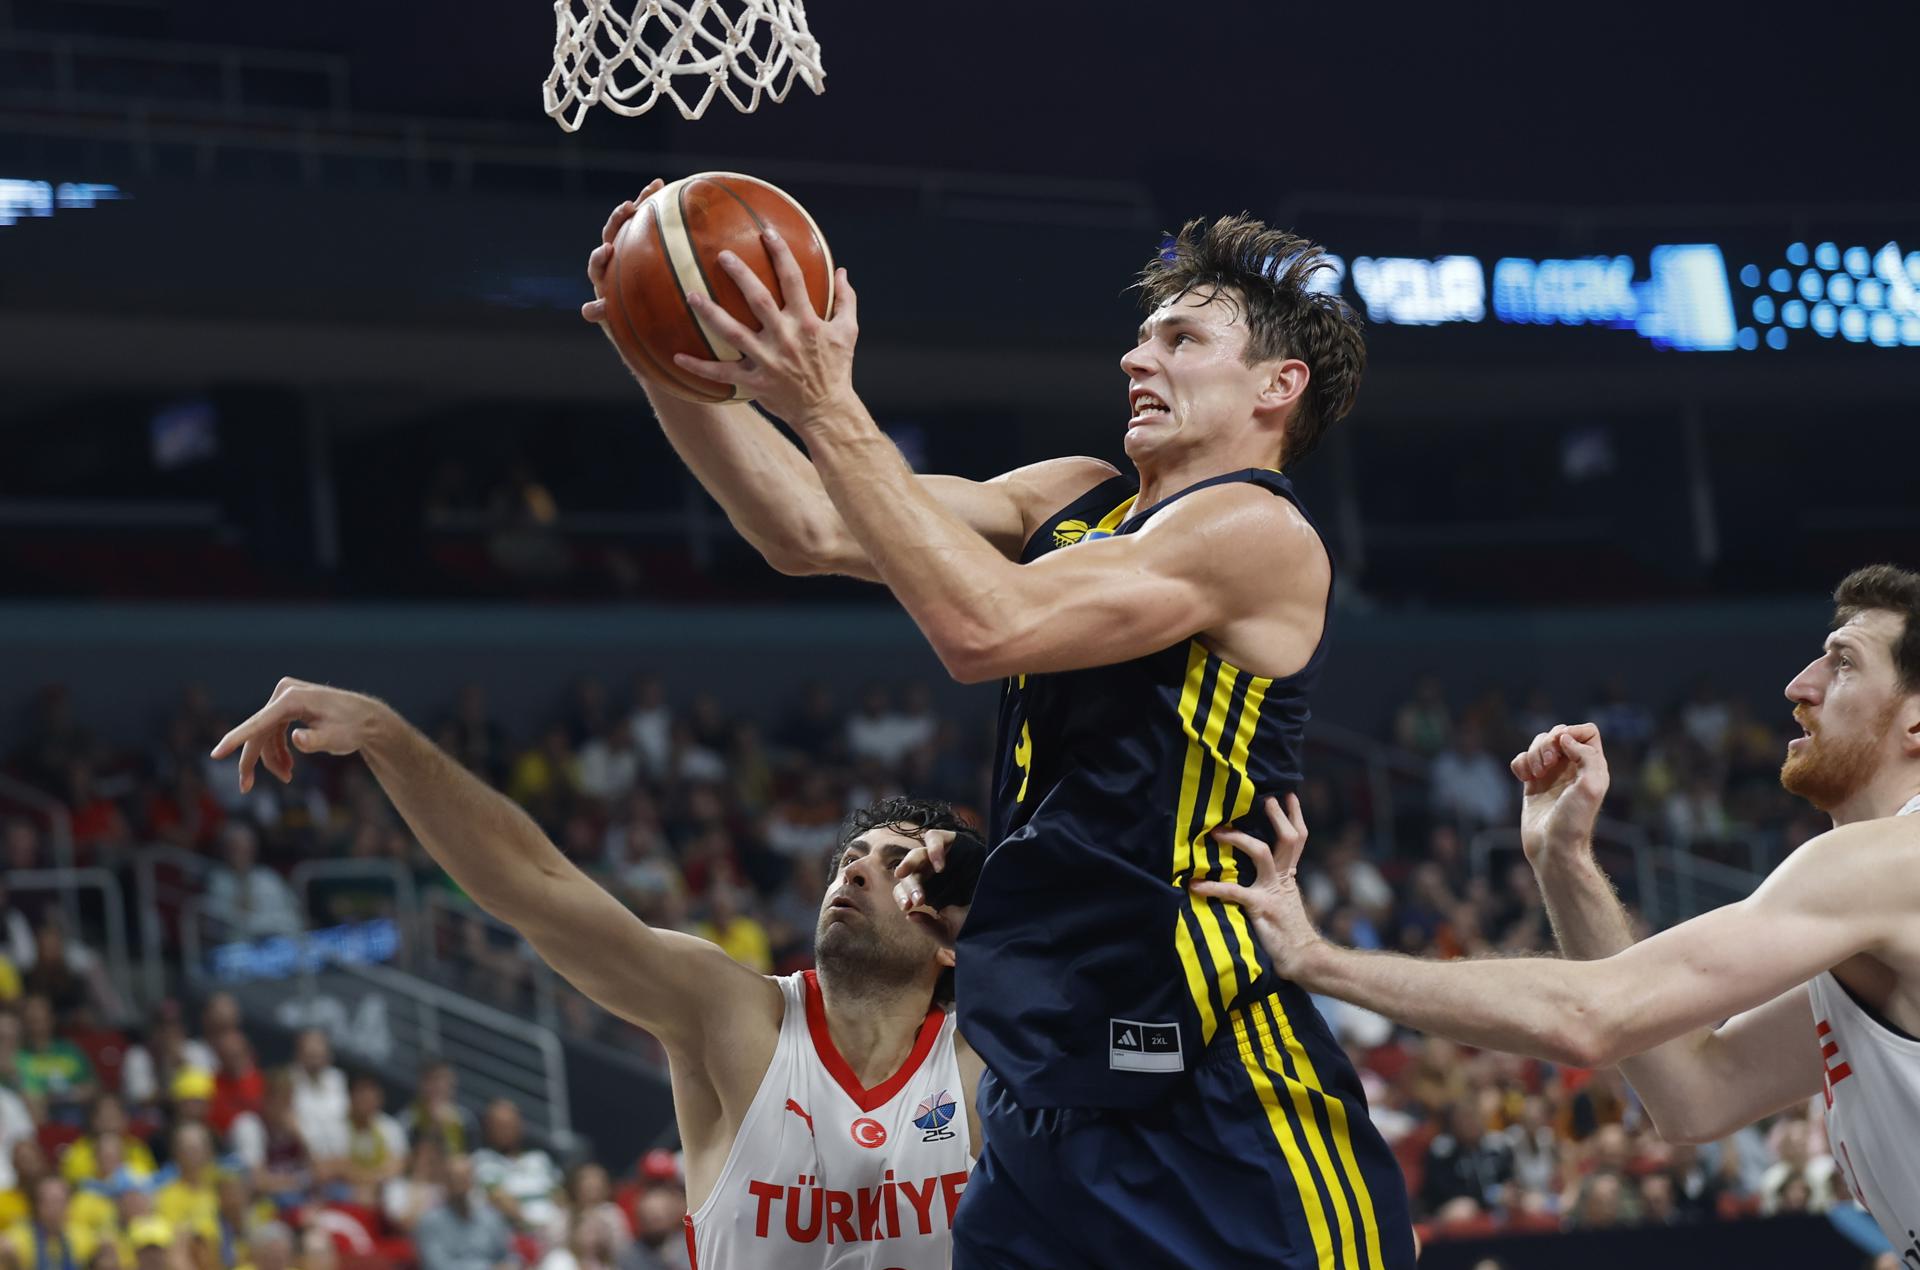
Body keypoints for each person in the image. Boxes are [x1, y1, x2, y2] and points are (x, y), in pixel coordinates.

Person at [583, 192, 1411, 1268]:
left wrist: (828, 400)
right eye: (1141, 333)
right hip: (1044, 1080)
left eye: (1181, 337)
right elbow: (809, 527)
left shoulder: (1258, 530)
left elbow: (986, 626)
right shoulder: (1073, 497)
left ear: (1277, 386)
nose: (1134, 357)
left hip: (1217, 1082)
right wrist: (664, 351)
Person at [1198, 564, 1920, 1254]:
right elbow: (1697, 1094)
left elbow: (1591, 1017)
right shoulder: (1873, 914)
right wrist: (1565, 863)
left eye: (1844, 662)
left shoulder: (1889, 862)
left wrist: (1318, 959)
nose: (1799, 685)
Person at [211, 683, 985, 1268]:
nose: (853, 872)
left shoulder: (986, 1065)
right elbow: (535, 886)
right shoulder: (732, 1014)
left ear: (949, 932)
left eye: (893, 864)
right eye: (849, 858)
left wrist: (994, 924)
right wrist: (383, 733)